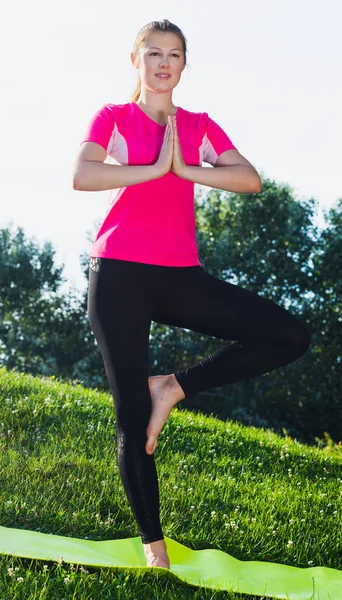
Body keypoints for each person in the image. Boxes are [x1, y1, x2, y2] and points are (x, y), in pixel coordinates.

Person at [72, 19, 311, 570]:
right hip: (119, 274)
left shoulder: (199, 126)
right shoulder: (114, 117)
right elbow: (82, 175)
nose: (162, 63)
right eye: (152, 53)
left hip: (180, 274)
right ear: (135, 60)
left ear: (183, 65)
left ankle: (175, 386)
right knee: (132, 417)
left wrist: (187, 167)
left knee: (287, 335)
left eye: (173, 54)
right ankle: (155, 550)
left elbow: (249, 180)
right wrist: (154, 167)